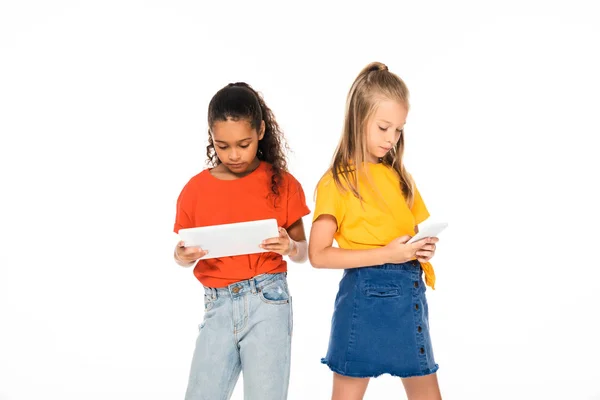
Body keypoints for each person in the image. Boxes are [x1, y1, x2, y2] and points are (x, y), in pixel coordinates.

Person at [308, 62, 443, 400]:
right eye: (383, 127)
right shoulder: (337, 182)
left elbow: (410, 235)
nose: (391, 138)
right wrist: (390, 254)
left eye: (398, 129)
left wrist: (421, 248)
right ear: (358, 119)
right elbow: (318, 255)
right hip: (361, 301)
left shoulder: (400, 178)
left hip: (408, 297)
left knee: (427, 390)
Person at [173, 82, 310, 400]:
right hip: (217, 305)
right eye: (222, 146)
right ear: (211, 138)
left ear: (260, 131)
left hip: (268, 302)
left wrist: (289, 246)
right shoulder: (194, 190)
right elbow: (181, 252)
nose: (233, 155)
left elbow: (303, 253)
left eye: (243, 144)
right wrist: (182, 256)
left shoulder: (282, 184)